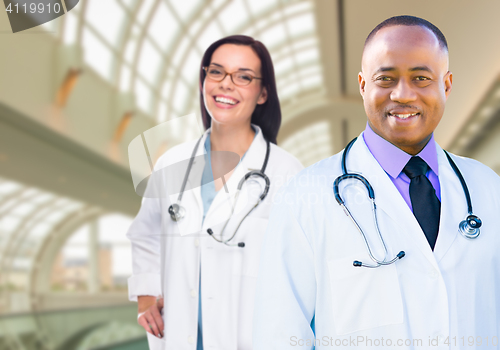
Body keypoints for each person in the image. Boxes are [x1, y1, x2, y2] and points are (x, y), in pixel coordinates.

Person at [253, 16, 500, 349]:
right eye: (385, 78)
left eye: (421, 78)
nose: (402, 94)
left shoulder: (486, 188)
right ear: (363, 84)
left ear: (447, 84)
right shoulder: (304, 197)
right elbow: (278, 336)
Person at [126, 35, 303, 350]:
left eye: (243, 77)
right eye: (217, 72)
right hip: (179, 336)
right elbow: (145, 234)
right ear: (203, 80)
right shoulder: (173, 163)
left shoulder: (286, 172)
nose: (226, 84)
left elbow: (302, 269)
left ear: (263, 93)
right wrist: (146, 298)